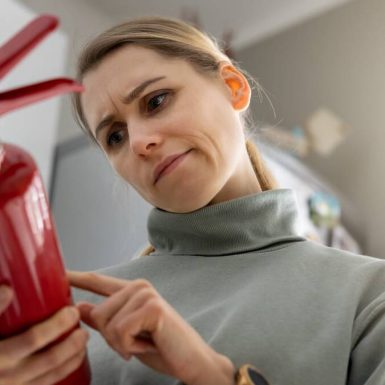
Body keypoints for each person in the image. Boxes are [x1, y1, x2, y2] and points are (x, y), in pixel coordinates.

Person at [1, 16, 385, 385]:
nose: (138, 142)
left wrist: (213, 375)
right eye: (115, 136)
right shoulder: (76, 311)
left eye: (156, 101)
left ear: (233, 86)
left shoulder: (367, 294)